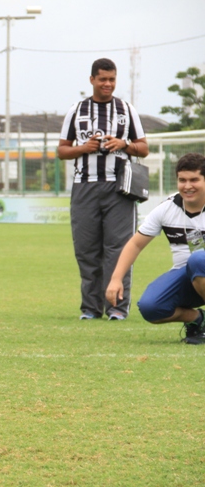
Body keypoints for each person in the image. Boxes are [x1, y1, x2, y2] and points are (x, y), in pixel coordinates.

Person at [59, 58, 148, 321]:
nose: (108, 84)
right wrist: (83, 149)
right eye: (103, 79)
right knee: (87, 250)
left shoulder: (126, 109)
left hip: (119, 189)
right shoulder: (77, 109)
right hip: (84, 187)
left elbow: (143, 147)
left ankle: (118, 307)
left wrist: (123, 144)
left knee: (119, 249)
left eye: (112, 79)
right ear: (92, 80)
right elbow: (62, 150)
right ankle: (90, 308)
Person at [106, 154, 205, 344]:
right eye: (182, 180)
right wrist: (116, 279)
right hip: (187, 275)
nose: (187, 186)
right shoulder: (167, 208)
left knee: (198, 259)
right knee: (151, 307)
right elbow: (135, 244)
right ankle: (198, 321)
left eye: (194, 180)